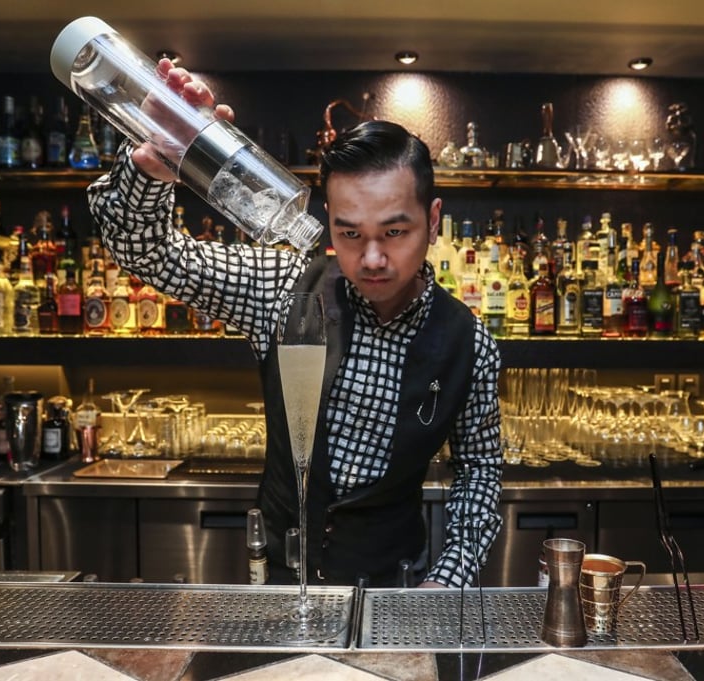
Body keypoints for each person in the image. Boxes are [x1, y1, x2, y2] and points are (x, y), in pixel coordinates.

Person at [87, 59, 503, 588]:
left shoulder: (470, 343)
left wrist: (447, 581)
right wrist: (151, 167)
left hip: (396, 588)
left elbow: (479, 471)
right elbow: (144, 252)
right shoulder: (282, 287)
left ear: (434, 219)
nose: (372, 258)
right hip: (279, 581)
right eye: (349, 234)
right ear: (328, 220)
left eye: (394, 232)